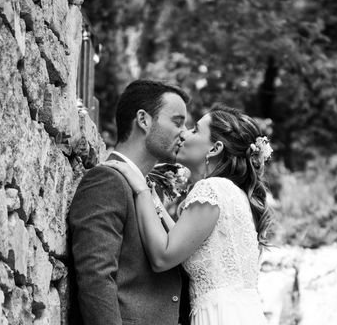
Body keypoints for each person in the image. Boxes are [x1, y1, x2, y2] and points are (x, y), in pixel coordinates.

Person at [106, 104, 273, 325]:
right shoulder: (233, 193)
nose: (184, 134)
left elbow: (163, 256)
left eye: (195, 130)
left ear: (215, 149)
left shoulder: (211, 189)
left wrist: (141, 190)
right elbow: (183, 240)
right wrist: (155, 201)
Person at [68, 79, 190, 325]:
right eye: (177, 122)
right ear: (143, 120)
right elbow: (96, 278)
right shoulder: (106, 181)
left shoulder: (147, 191)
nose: (185, 133)